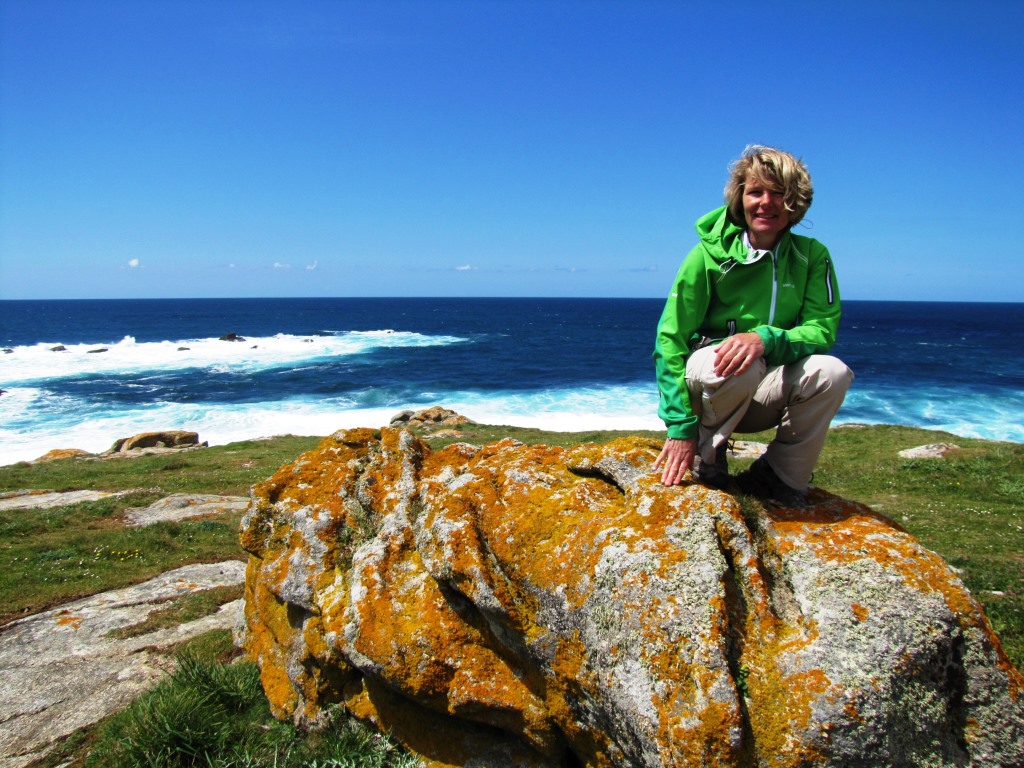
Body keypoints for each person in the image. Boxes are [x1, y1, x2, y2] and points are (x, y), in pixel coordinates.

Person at [652, 145, 853, 506]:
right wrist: (680, 426)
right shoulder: (707, 255)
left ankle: (778, 477)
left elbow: (822, 329)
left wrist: (763, 339)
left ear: (796, 202)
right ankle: (707, 457)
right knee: (736, 358)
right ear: (739, 198)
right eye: (756, 191)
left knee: (832, 372)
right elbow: (670, 340)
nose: (766, 203)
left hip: (765, 392)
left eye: (779, 194)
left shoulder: (812, 256)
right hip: (712, 392)